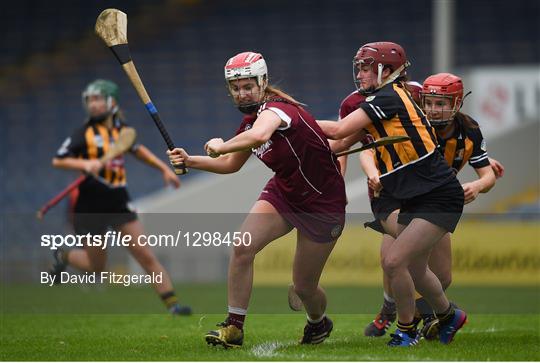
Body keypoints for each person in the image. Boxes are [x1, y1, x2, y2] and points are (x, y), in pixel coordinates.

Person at [167, 51, 346, 348]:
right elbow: (230, 165)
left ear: (262, 83)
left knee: (304, 287)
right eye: (235, 88)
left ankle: (318, 322)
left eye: (248, 86)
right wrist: (190, 161)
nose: (242, 93)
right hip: (284, 193)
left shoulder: (276, 110)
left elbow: (260, 136)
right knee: (242, 246)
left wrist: (221, 146)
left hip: (322, 204)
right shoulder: (249, 123)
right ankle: (234, 327)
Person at [317, 42, 467, 346]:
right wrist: (275, 139)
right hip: (415, 196)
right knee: (413, 265)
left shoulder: (388, 97)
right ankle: (449, 315)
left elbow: (336, 130)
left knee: (394, 261)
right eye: (358, 67)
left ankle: (407, 329)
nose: (360, 73)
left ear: (386, 70)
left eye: (367, 67)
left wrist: (288, 119)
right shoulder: (380, 102)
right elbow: (336, 145)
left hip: (438, 195)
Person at [359, 73, 504, 339]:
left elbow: (488, 175)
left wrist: (478, 185)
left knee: (442, 276)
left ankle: (423, 315)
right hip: (401, 198)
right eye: (429, 103)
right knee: (392, 261)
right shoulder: (413, 121)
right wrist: (372, 173)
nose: (434, 110)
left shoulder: (469, 130)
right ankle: (395, 314)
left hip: (437, 202)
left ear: (457, 103)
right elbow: (369, 149)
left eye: (442, 104)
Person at [49, 79, 191, 316]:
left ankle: (173, 306)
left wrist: (164, 170)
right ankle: (64, 254)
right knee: (97, 267)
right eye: (90, 100)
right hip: (90, 205)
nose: (93, 105)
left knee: (145, 255)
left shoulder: (121, 130)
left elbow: (138, 150)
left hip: (117, 200)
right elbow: (59, 159)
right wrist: (86, 163)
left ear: (111, 101)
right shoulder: (83, 134)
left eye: (98, 99)